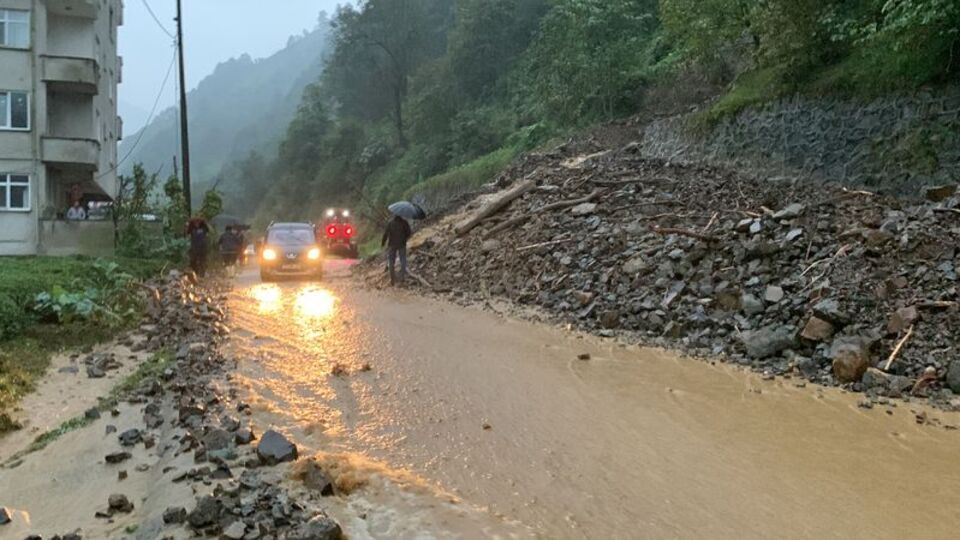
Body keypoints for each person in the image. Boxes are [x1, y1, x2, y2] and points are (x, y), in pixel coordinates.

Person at [381, 214, 412, 285]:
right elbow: (409, 233)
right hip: (402, 244)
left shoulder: (390, 223)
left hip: (392, 244)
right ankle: (402, 278)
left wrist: (383, 242)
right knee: (403, 260)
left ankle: (392, 279)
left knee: (391, 261)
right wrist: (405, 238)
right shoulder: (404, 222)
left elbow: (385, 234)